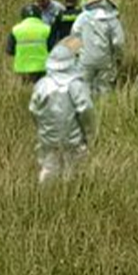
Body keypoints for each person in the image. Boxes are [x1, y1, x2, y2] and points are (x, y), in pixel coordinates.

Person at [29, 38, 97, 183]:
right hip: (73, 137)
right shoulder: (76, 85)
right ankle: (69, 191)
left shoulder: (42, 85)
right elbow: (86, 109)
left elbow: (33, 110)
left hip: (48, 136)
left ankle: (44, 193)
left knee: (49, 167)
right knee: (73, 168)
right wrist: (90, 133)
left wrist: (42, 128)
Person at [70, 0, 125, 98]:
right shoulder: (112, 20)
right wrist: (118, 57)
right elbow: (118, 42)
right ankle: (104, 107)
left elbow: (74, 36)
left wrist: (76, 54)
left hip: (85, 59)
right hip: (105, 59)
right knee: (104, 89)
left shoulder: (82, 18)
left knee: (84, 89)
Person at [5, 3, 51, 84]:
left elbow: (10, 51)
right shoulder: (47, 29)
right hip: (42, 67)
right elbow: (53, 48)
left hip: (22, 68)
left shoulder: (16, 30)